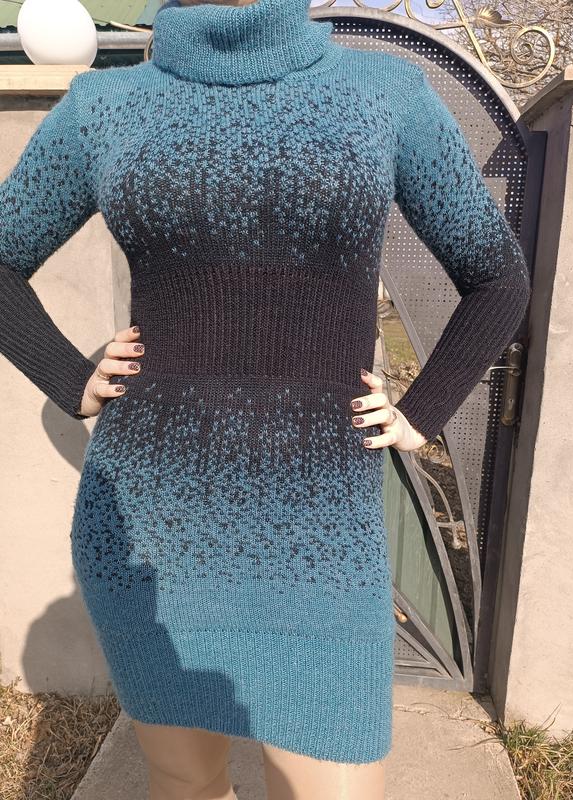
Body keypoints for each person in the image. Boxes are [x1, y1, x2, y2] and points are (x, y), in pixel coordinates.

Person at [0, 0, 530, 797]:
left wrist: (422, 410)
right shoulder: (104, 105)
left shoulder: (384, 94)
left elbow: (497, 275)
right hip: (151, 526)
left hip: (322, 534)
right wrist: (68, 375)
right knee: (186, 781)